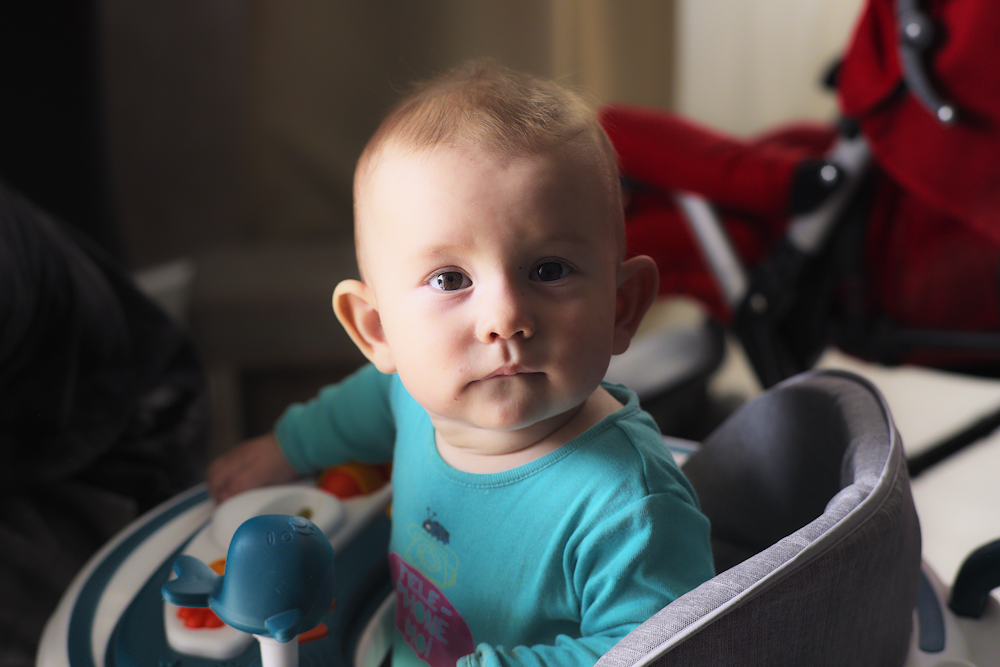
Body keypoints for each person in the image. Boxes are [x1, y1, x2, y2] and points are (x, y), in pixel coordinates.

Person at [207, 59, 714, 667]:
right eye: (450, 278)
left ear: (622, 306)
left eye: (548, 270)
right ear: (376, 330)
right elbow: (362, 403)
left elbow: (665, 652)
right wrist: (287, 446)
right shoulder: (417, 394)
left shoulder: (629, 506)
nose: (504, 316)